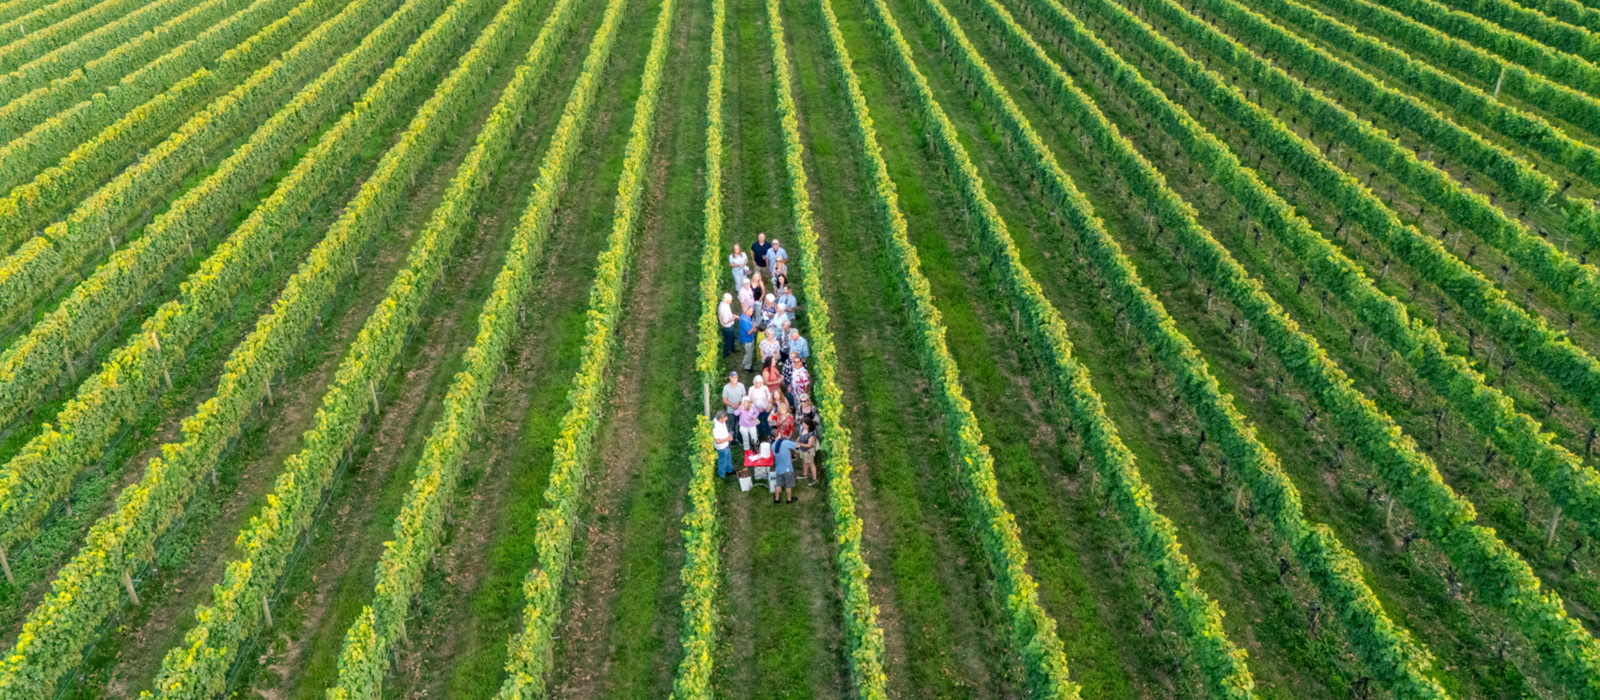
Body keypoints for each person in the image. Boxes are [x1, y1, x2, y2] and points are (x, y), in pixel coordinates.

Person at [771, 435, 799, 503]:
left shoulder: (773, 445)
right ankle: (789, 500)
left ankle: (776, 499)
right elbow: (797, 446)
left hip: (778, 469)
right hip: (787, 469)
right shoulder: (785, 443)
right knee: (788, 485)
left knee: (778, 484)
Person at [796, 419, 819, 484]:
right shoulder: (803, 429)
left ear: (808, 425)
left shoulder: (811, 434)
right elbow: (799, 436)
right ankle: (805, 474)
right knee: (804, 461)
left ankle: (815, 478)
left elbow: (809, 445)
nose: (802, 425)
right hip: (802, 449)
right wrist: (796, 441)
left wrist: (799, 444)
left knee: (811, 464)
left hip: (808, 451)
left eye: (804, 424)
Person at [713, 411, 734, 478]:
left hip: (726, 445)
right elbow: (717, 441)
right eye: (725, 417)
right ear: (721, 419)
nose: (727, 418)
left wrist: (729, 435)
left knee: (728, 457)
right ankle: (721, 476)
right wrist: (728, 439)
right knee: (722, 461)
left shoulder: (721, 421)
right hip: (721, 447)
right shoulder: (715, 428)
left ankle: (729, 471)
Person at [718, 293, 737, 357]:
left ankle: (732, 348)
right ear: (726, 301)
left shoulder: (723, 304)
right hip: (728, 327)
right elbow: (725, 321)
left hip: (727, 327)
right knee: (728, 341)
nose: (731, 302)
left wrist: (732, 315)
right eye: (730, 301)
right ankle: (726, 353)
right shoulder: (724, 309)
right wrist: (733, 318)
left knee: (732, 337)